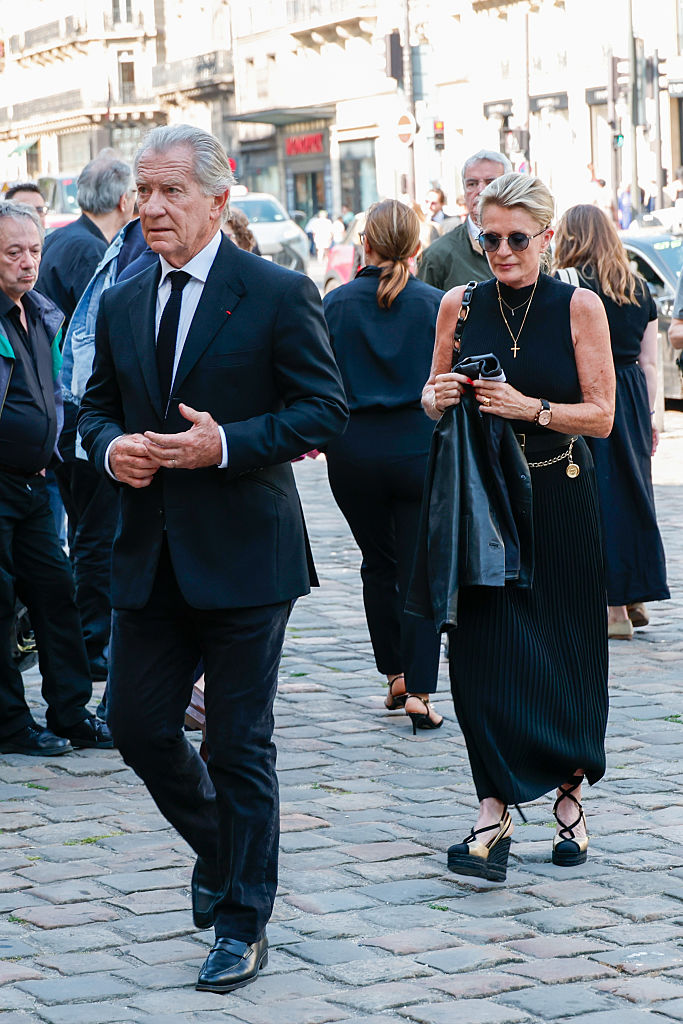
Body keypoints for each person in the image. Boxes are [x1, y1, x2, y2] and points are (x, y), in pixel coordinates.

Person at [77, 124, 348, 994]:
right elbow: (93, 411)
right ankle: (227, 850)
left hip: (244, 557)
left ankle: (242, 921)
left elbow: (323, 410)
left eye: (171, 193)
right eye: (142, 193)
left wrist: (225, 444)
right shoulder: (123, 299)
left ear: (217, 200)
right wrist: (109, 448)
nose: (152, 208)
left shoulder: (275, 291)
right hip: (148, 554)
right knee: (135, 724)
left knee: (239, 744)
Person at [420, 173, 615, 881]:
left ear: (545, 236)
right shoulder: (457, 304)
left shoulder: (577, 306)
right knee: (477, 656)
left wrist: (527, 407)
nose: (500, 250)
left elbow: (601, 416)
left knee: (564, 649)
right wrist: (436, 393)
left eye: (514, 238)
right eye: (487, 237)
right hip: (483, 499)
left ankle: (567, 795)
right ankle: (492, 809)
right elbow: (430, 397)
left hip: (559, 492)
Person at [323, 200, 444, 732]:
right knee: (420, 569)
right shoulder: (437, 305)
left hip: (353, 452)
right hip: (419, 448)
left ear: (364, 244)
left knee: (378, 563)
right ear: (417, 247)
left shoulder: (336, 304)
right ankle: (418, 686)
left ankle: (394, 673)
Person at [0, 202, 112, 756]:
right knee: (1, 605)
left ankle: (71, 711)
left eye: (34, 251)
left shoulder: (39, 312)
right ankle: (9, 723)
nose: (27, 263)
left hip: (33, 483)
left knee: (57, 594)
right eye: (13, 252)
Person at [36, 154, 136, 684]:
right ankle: (95, 644)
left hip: (64, 412)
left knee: (88, 531)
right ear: (125, 201)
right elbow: (91, 342)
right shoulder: (90, 251)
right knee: (97, 534)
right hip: (78, 415)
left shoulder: (65, 241)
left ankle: (90, 639)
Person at [555, 205, 669, 637]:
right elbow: (650, 362)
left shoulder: (569, 288)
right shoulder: (636, 287)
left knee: (594, 498)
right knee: (632, 496)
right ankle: (633, 594)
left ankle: (614, 610)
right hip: (633, 396)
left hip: (587, 393)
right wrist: (652, 416)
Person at [418, 149, 512, 290]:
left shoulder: (532, 245)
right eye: (472, 184)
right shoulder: (437, 256)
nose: (481, 190)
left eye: (491, 183)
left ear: (510, 188)